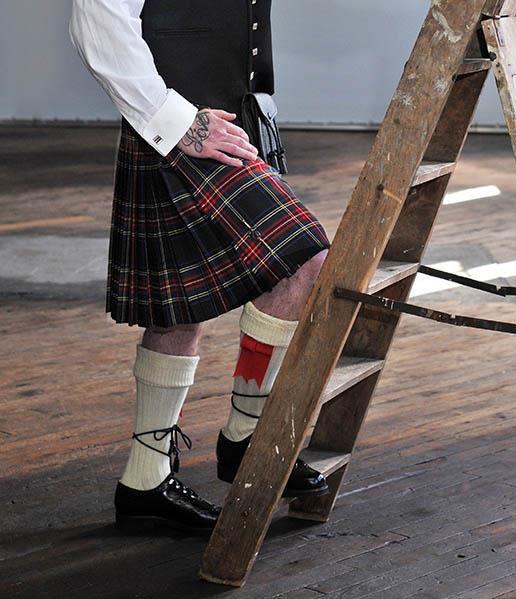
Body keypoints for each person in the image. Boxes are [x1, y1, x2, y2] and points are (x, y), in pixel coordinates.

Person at [69, 0, 331, 534]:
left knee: (180, 309)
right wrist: (178, 123)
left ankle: (146, 481)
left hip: (237, 119)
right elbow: (98, 14)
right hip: (183, 130)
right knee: (303, 259)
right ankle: (245, 435)